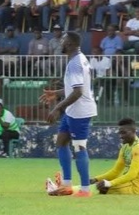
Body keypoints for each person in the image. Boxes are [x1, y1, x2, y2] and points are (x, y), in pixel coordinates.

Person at [40, 31, 97, 197]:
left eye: (63, 41)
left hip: (80, 111)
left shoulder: (75, 63)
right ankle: (66, 184)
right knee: (61, 142)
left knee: (79, 146)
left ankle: (85, 189)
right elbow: (75, 87)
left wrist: (57, 107)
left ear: (70, 44)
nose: (60, 43)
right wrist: (57, 93)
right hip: (73, 110)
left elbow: (78, 92)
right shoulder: (78, 59)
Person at [88, 118, 139, 195]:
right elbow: (115, 172)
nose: (121, 136)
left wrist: (109, 183)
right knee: (98, 185)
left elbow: (132, 174)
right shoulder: (125, 147)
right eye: (120, 133)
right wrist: (96, 179)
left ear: (134, 131)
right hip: (128, 183)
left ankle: (74, 192)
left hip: (135, 187)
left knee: (99, 188)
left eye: (124, 133)